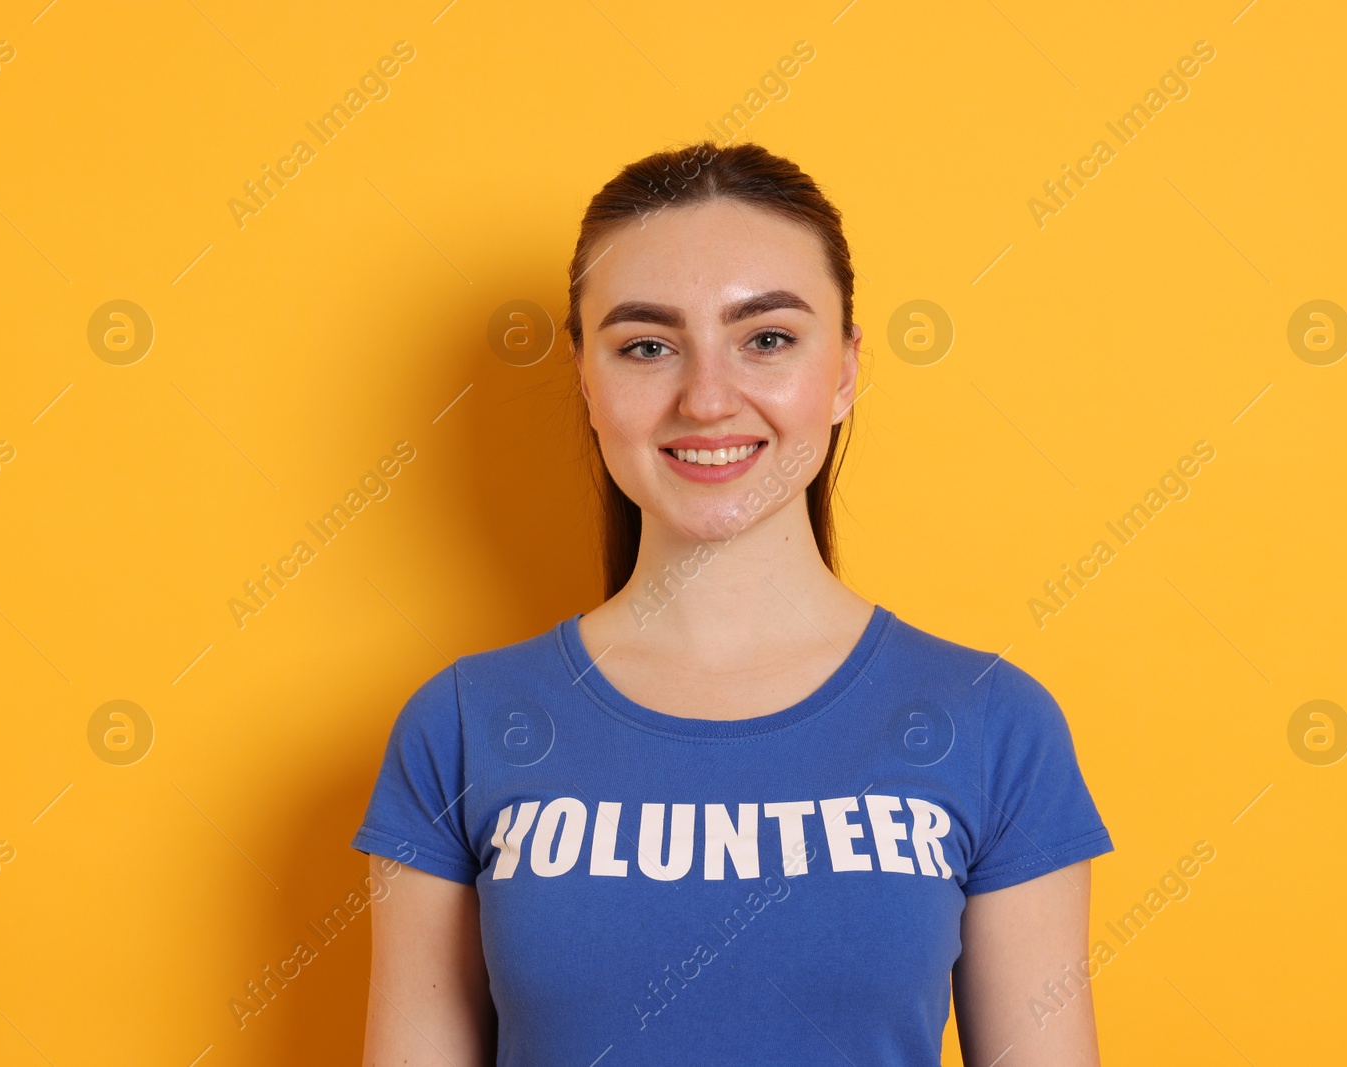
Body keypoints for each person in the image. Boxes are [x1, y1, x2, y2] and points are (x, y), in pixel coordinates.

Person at [351, 141, 1113, 1066]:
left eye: (767, 339)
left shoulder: (994, 725)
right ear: (587, 379)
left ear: (841, 371)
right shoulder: (461, 728)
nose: (707, 398)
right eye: (646, 346)